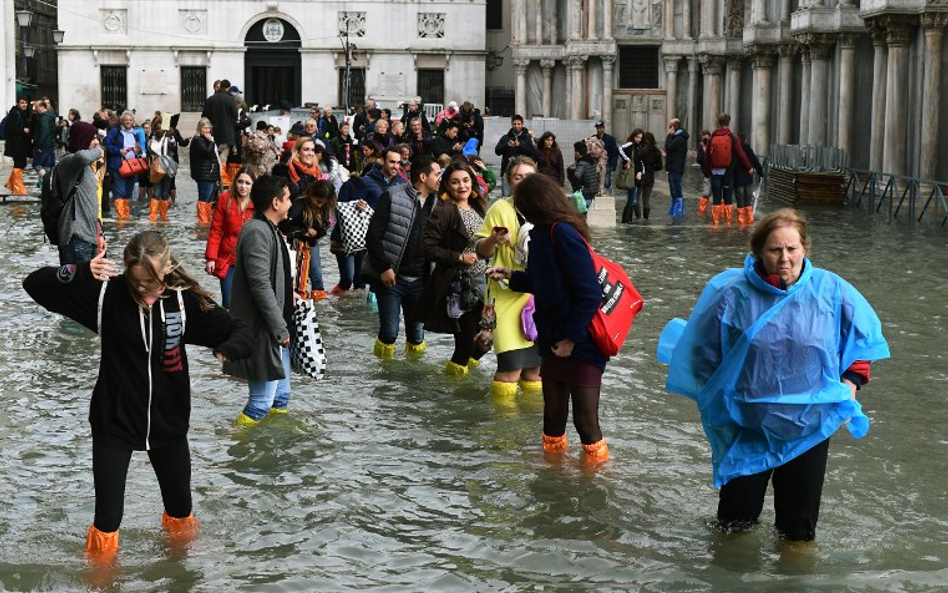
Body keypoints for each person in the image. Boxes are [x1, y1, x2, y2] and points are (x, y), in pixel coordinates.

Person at [657, 208, 890, 542]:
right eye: (775, 250)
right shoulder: (731, 293)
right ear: (758, 251)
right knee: (734, 523)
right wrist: (719, 401)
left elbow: (862, 339)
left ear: (804, 249)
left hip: (808, 426)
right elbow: (702, 353)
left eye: (792, 249)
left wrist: (851, 383)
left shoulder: (831, 290)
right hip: (746, 426)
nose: (785, 258)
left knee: (799, 529)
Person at [23, 231, 253, 564]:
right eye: (138, 282)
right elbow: (35, 285)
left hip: (168, 423)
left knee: (180, 512)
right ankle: (102, 581)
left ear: (167, 267)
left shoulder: (181, 300)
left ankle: (179, 575)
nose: (145, 289)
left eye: (152, 281)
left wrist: (226, 350)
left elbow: (240, 330)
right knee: (107, 521)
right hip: (113, 422)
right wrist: (80, 271)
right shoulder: (105, 297)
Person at [486, 174, 610, 464]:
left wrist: (571, 339)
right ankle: (553, 474)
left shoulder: (563, 233)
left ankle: (595, 478)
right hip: (552, 336)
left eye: (521, 203)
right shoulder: (540, 234)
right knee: (552, 417)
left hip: (581, 340)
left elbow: (590, 293)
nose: (518, 210)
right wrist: (512, 277)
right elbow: (548, 282)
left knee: (585, 421)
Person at [224, 175, 296, 426]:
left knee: (280, 399)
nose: (291, 203)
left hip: (277, 329)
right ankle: (237, 445)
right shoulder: (256, 230)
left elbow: (272, 278)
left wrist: (290, 295)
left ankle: (274, 453)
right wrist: (279, 328)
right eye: (288, 199)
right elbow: (259, 284)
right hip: (264, 330)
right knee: (260, 403)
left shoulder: (269, 228)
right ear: (276, 203)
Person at [474, 157, 543, 401]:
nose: (524, 182)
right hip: (504, 294)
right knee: (510, 369)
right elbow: (481, 251)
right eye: (518, 177)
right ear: (509, 181)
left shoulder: (546, 209)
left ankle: (534, 425)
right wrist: (494, 239)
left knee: (535, 372)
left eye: (529, 177)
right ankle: (504, 431)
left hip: (537, 295)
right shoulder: (499, 209)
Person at [363, 155, 441, 358]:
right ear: (423, 177)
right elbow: (373, 236)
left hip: (421, 281)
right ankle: (385, 377)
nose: (441, 178)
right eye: (437, 174)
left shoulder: (440, 204)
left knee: (417, 335)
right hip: (391, 278)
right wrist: (384, 268)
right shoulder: (392, 196)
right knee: (389, 334)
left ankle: (413, 379)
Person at [416, 162, 489, 376]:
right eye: (455, 182)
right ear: (447, 185)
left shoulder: (477, 206)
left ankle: (463, 377)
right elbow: (426, 247)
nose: (462, 186)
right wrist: (459, 257)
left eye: (466, 180)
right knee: (465, 345)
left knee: (486, 341)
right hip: (459, 287)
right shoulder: (445, 210)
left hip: (484, 284)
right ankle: (453, 391)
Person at [54, 121, 107, 264]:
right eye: (92, 137)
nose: (96, 141)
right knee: (78, 284)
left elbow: (91, 203)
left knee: (92, 284)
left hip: (90, 235)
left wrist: (100, 234)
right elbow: (82, 157)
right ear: (83, 138)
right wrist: (99, 151)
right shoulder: (69, 161)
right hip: (76, 235)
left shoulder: (85, 167)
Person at [205, 166, 256, 308]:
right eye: (240, 182)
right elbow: (216, 230)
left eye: (247, 183)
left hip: (251, 258)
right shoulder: (224, 199)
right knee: (228, 302)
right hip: (228, 258)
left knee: (248, 302)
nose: (243, 186)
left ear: (253, 185)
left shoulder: (258, 203)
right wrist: (211, 258)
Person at [285, 179, 337, 301]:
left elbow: (325, 226)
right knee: (296, 276)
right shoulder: (298, 205)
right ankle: (299, 301)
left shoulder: (326, 207)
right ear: (311, 194)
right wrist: (305, 232)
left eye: (323, 203)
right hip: (295, 244)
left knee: (317, 277)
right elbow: (287, 228)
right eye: (318, 201)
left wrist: (316, 231)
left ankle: (316, 307)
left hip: (311, 243)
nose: (319, 205)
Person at [703, 113, 753, 225]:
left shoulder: (713, 136)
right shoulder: (733, 137)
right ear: (728, 122)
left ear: (718, 123)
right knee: (728, 198)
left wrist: (709, 170)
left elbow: (707, 156)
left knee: (716, 198)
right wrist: (749, 167)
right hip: (728, 172)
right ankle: (728, 223)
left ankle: (716, 223)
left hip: (715, 172)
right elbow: (741, 154)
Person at [103, 111, 147, 220]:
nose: (128, 122)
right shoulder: (115, 131)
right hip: (119, 166)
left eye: (130, 120)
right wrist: (119, 151)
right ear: (122, 121)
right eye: (126, 120)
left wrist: (138, 150)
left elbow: (138, 150)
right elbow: (106, 145)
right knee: (120, 191)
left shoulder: (135, 133)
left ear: (133, 122)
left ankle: (126, 215)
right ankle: (121, 216)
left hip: (132, 167)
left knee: (128, 192)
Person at [619, 130, 663, 222]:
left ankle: (638, 217)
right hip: (648, 177)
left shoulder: (640, 149)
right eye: (637, 137)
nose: (639, 139)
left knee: (635, 198)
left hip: (638, 176)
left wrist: (628, 161)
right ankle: (645, 218)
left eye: (640, 138)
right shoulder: (655, 151)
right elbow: (659, 166)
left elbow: (638, 162)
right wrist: (651, 168)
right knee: (645, 199)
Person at [495, 115, 537, 196]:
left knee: (522, 196)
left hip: (522, 173)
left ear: (522, 124)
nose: (516, 126)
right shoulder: (506, 137)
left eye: (518, 124)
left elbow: (533, 153)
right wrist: (507, 145)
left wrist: (520, 145)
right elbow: (497, 151)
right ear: (511, 124)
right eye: (514, 124)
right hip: (507, 172)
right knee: (506, 197)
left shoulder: (526, 138)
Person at [189, 118, 221, 225]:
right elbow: (207, 153)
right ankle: (203, 222)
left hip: (210, 174)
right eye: (205, 128)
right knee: (204, 198)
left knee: (210, 199)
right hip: (204, 174)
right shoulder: (198, 140)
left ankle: (207, 220)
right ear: (200, 128)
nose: (207, 130)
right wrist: (211, 142)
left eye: (208, 128)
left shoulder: (206, 139)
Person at [201, 78, 238, 163]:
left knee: (213, 154)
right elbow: (235, 115)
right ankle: (221, 174)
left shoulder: (210, 99)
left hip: (213, 132)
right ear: (228, 88)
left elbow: (204, 116)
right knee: (224, 156)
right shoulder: (230, 99)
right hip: (227, 133)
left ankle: (214, 173)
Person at [733, 133, 765, 225]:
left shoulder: (734, 151)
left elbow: (731, 165)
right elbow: (755, 161)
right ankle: (749, 221)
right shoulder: (748, 149)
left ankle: (740, 221)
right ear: (745, 140)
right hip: (748, 179)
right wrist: (760, 173)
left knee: (740, 200)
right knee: (748, 200)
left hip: (738, 180)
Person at [3, 97, 32, 196]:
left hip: (20, 143)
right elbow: (10, 129)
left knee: (21, 163)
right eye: (22, 103)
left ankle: (10, 184)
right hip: (16, 143)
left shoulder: (21, 113)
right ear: (18, 103)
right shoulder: (16, 113)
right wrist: (23, 130)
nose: (24, 105)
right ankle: (17, 188)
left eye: (25, 103)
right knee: (19, 164)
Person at [664, 118, 689, 220]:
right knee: (673, 190)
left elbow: (668, 147)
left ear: (674, 127)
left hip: (676, 168)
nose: (668, 128)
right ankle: (675, 210)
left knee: (676, 190)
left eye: (670, 126)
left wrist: (669, 135)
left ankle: (678, 212)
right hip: (673, 167)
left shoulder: (679, 139)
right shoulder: (677, 137)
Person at [31, 99, 58, 187]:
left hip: (44, 145)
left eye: (37, 107)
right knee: (46, 166)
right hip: (49, 144)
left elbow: (44, 132)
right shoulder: (49, 116)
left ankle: (48, 182)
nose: (35, 109)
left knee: (36, 164)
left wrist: (38, 145)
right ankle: (45, 187)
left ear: (42, 106)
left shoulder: (44, 118)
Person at [568, 140, 599, 210]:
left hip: (585, 191)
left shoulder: (582, 163)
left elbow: (577, 176)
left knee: (581, 212)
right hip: (592, 190)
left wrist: (577, 188)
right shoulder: (591, 161)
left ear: (577, 152)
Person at [593, 120, 620, 192]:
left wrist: (613, 165)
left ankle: (606, 193)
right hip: (595, 164)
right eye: (597, 128)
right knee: (596, 181)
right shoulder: (593, 138)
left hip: (606, 163)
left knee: (606, 182)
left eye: (600, 128)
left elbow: (614, 152)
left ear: (603, 128)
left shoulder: (610, 139)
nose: (599, 130)